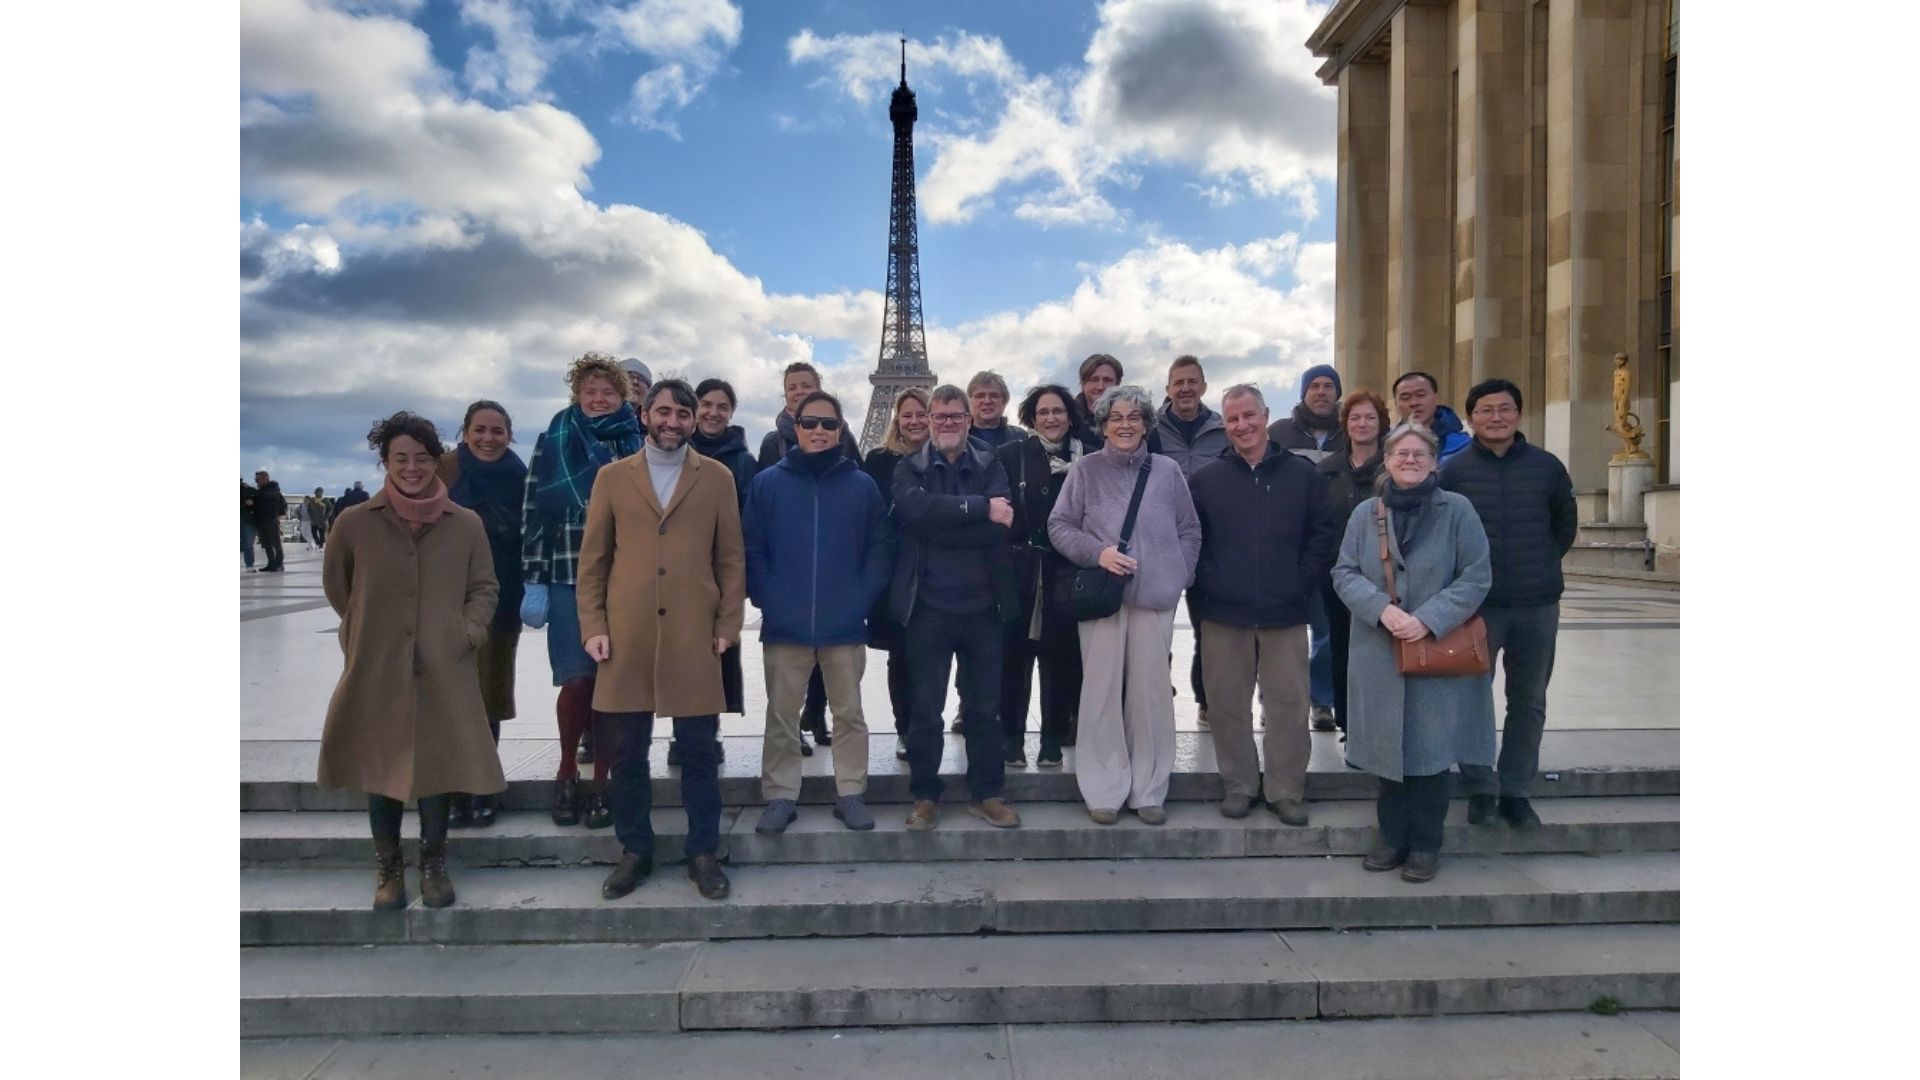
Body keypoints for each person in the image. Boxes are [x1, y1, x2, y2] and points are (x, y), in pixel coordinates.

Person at [318, 411, 505, 910]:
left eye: (422, 458)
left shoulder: (464, 524)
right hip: (377, 664)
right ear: (385, 462)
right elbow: (339, 585)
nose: (412, 468)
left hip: (443, 662)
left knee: (438, 765)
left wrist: (465, 631)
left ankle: (434, 862)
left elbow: (484, 586)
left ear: (436, 462)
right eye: (400, 458)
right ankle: (388, 867)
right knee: (379, 766)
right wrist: (361, 627)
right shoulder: (355, 522)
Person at [578, 378, 745, 902]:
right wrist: (594, 626)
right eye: (664, 412)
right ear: (645, 414)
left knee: (699, 751)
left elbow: (731, 559)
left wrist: (727, 627)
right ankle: (635, 850)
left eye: (683, 414)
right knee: (627, 752)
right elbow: (594, 561)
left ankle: (703, 850)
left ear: (694, 421)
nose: (673, 422)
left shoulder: (716, 478)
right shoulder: (611, 478)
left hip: (694, 633)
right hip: (628, 633)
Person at [1331, 421, 1494, 884]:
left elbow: (1477, 575)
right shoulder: (1366, 514)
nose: (1409, 461)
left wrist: (1428, 618)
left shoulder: (1458, 510)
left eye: (1419, 454)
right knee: (1388, 751)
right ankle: (1391, 838)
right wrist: (1382, 610)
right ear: (1386, 460)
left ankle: (1426, 844)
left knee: (1431, 750)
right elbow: (1344, 572)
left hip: (1437, 649)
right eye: (1401, 453)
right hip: (1380, 648)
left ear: (1434, 461)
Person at [1048, 385, 1201, 825]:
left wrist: (1179, 573)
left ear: (1147, 423)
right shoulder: (1085, 471)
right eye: (1116, 417)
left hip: (1154, 598)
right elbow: (1059, 525)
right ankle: (1104, 787)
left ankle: (1149, 787)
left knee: (1151, 696)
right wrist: (1097, 553)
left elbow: (1189, 529)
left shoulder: (1168, 471)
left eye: (1134, 417)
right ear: (1102, 425)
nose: (1125, 425)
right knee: (1100, 695)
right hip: (1103, 599)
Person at [1187, 385, 1339, 824]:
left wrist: (1301, 581)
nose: (1242, 426)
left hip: (1285, 612)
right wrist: (1211, 585)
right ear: (1225, 424)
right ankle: (1239, 785)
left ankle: (1285, 790)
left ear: (1265, 415)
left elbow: (1322, 535)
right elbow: (1194, 542)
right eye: (1232, 419)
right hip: (1224, 614)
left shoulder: (1302, 476)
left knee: (1288, 705)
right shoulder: (1206, 481)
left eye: (1249, 415)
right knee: (1226, 705)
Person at [745, 390, 892, 834]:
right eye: (810, 423)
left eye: (829, 424)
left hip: (843, 622)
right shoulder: (767, 483)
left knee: (849, 713)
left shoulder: (862, 486)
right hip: (785, 621)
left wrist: (859, 599)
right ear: (795, 427)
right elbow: (753, 548)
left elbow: (879, 549)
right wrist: (769, 597)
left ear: (841, 429)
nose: (820, 431)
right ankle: (780, 794)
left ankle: (850, 790)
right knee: (782, 714)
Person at [1440, 377, 1578, 830]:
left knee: (1529, 699)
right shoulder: (1455, 471)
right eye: (1485, 410)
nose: (1495, 417)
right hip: (1477, 606)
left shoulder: (1547, 467)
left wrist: (1537, 565)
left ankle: (1516, 790)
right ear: (1471, 418)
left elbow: (1564, 527)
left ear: (1518, 414)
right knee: (1473, 699)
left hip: (1536, 603)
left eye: (1504, 409)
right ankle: (1480, 786)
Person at [889, 384, 1023, 832]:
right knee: (925, 708)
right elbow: (913, 514)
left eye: (955, 416)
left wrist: (941, 519)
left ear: (968, 419)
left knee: (985, 708)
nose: (947, 423)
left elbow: (998, 530)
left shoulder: (992, 462)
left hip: (984, 607)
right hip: (928, 608)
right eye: (939, 416)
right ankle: (925, 795)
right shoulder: (908, 467)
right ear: (927, 421)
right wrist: (979, 508)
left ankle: (987, 792)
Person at [519, 353, 643, 829]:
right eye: (590, 391)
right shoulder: (553, 437)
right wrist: (533, 579)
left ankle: (604, 778)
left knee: (611, 683)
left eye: (607, 392)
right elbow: (533, 507)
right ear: (577, 394)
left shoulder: (635, 441)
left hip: (621, 574)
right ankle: (568, 769)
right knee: (576, 679)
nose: (598, 399)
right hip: (567, 569)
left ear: (621, 397)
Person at [755, 360, 857, 751]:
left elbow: (859, 500)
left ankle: (815, 715)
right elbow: (762, 513)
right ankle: (795, 733)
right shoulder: (772, 443)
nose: (798, 391)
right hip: (789, 578)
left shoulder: (839, 440)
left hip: (833, 580)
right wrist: (768, 590)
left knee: (827, 671)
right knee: (791, 672)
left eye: (805, 385)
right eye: (792, 387)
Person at [439, 400, 527, 829]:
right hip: (445, 601)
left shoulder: (521, 476)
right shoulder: (445, 470)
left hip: (501, 597)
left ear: (509, 434)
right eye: (480, 430)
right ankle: (453, 785)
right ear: (465, 431)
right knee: (450, 697)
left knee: (487, 695)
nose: (488, 438)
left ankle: (483, 783)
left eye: (497, 431)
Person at [994, 384, 1089, 769]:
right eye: (1043, 412)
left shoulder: (1089, 458)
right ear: (1031, 418)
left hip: (1067, 571)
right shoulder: (1010, 455)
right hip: (1022, 572)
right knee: (1014, 658)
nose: (1052, 418)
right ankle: (1013, 739)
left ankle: (1052, 738)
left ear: (1070, 415)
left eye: (1059, 411)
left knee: (1060, 660)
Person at [684, 376, 758, 766]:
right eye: (707, 405)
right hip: (677, 569)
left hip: (718, 571)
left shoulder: (744, 462)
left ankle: (705, 729)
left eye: (722, 407)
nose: (714, 413)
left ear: (731, 414)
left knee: (716, 650)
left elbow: (750, 520)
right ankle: (687, 728)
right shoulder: (673, 451)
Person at [1272, 363, 1347, 729]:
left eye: (1328, 386)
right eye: (1314, 386)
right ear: (1303, 392)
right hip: (1283, 550)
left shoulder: (1350, 434)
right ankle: (1273, 701)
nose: (1321, 392)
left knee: (1325, 632)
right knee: (1275, 633)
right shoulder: (1280, 433)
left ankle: (1322, 701)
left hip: (1330, 550)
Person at [862, 387, 931, 760]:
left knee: (933, 656)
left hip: (936, 571)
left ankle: (926, 724)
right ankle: (905, 728)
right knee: (901, 656)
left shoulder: (946, 458)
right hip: (895, 573)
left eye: (922, 413)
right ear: (896, 420)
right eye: (908, 415)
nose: (915, 421)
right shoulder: (878, 460)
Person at [1316, 389, 1389, 739]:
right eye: (1355, 417)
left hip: (1385, 580)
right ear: (1345, 424)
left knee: (1380, 654)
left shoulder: (1393, 468)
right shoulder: (1326, 470)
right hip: (1337, 578)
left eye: (1369, 417)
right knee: (1341, 650)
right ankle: (1349, 724)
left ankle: (1378, 725)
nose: (1362, 424)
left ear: (1381, 423)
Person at [1391, 371, 1472, 462]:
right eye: (1406, 398)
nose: (1414, 403)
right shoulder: (1387, 445)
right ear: (1396, 405)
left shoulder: (1464, 446)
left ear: (1436, 398)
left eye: (1421, 395)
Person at [965, 370, 1026, 450]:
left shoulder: (1020, 437)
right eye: (980, 396)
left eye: (994, 396)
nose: (987, 401)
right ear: (969, 402)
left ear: (1004, 401)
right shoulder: (958, 438)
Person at [1073, 354, 1123, 446]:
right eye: (1094, 380)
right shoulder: (1068, 420)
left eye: (1107, 380)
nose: (1100, 387)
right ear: (1083, 384)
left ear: (1118, 384)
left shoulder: (1135, 419)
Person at [251, 469, 287, 572]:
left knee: (276, 542)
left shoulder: (273, 488)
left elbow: (269, 496)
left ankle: (279, 563)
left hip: (271, 519)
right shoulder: (260, 491)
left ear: (265, 478)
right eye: (256, 479)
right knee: (266, 543)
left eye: (258, 479)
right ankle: (271, 563)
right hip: (261, 520)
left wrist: (256, 493)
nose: (257, 481)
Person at [241, 480, 260, 569]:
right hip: (247, 519)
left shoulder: (248, 490)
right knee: (247, 543)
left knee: (248, 543)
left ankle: (249, 565)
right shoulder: (248, 489)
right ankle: (249, 565)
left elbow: (257, 502)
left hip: (247, 519)